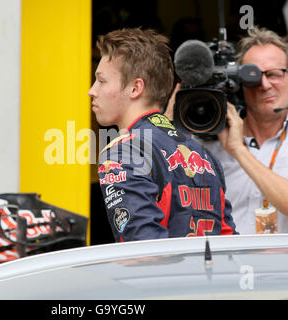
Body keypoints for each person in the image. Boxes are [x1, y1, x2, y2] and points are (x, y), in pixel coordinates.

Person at [88, 28, 237, 242]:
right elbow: (229, 242)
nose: (92, 91)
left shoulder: (124, 152)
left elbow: (144, 250)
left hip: (164, 275)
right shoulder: (203, 154)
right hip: (209, 274)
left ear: (135, 88)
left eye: (101, 81)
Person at [190, 27, 288, 234]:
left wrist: (238, 151)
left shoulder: (232, 145)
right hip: (226, 264)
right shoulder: (207, 141)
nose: (264, 84)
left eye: (274, 74)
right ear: (239, 83)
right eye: (252, 76)